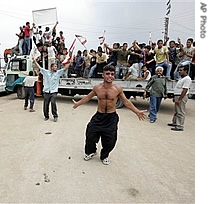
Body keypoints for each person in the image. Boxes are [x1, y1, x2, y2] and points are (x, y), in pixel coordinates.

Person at [72, 64, 146, 165]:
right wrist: (78, 103)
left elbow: (126, 102)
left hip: (111, 117)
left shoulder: (117, 89)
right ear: (103, 75)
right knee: (90, 135)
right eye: (107, 74)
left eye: (112, 74)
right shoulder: (97, 88)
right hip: (99, 116)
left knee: (110, 140)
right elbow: (87, 97)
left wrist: (137, 111)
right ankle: (91, 151)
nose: (110, 76)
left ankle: (104, 155)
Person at [33, 57, 71, 122]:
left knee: (53, 103)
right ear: (51, 67)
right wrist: (35, 61)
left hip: (53, 91)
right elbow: (39, 67)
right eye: (55, 66)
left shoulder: (58, 73)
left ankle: (55, 116)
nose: (56, 67)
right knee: (46, 104)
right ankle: (46, 116)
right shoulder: (46, 72)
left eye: (56, 66)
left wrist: (70, 62)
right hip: (46, 91)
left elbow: (65, 68)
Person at [167, 64, 192, 131]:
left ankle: (180, 126)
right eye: (179, 70)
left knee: (180, 111)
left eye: (181, 70)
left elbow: (185, 90)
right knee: (177, 110)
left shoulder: (187, 79)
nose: (179, 71)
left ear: (185, 71)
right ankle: (175, 122)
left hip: (181, 96)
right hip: (177, 96)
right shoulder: (181, 78)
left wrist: (180, 99)